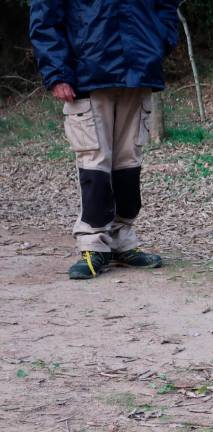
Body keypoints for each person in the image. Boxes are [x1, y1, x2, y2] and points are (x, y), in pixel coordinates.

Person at [29, 0, 180, 279]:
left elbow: (167, 6)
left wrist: (158, 43)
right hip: (86, 72)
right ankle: (93, 243)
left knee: (128, 161)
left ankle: (122, 239)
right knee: (94, 161)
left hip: (138, 68)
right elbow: (45, 16)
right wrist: (57, 72)